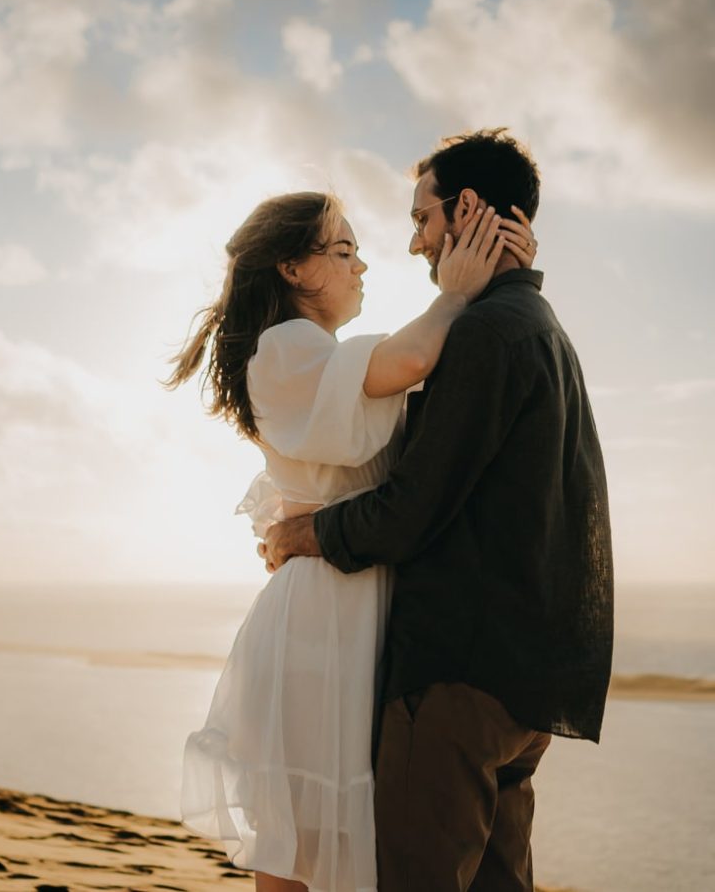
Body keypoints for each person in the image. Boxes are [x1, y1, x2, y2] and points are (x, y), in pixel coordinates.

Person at [261, 129, 612, 892]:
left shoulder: (484, 333)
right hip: (526, 681)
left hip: (460, 676)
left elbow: (412, 505)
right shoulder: (543, 330)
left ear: (471, 212)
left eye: (423, 218)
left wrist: (308, 529)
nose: (415, 242)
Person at [172, 185, 534, 892]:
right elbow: (407, 362)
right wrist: (456, 294)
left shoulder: (316, 355)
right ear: (292, 269)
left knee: (323, 833)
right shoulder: (287, 345)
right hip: (324, 617)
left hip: (349, 603)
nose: (362, 266)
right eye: (342, 251)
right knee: (302, 837)